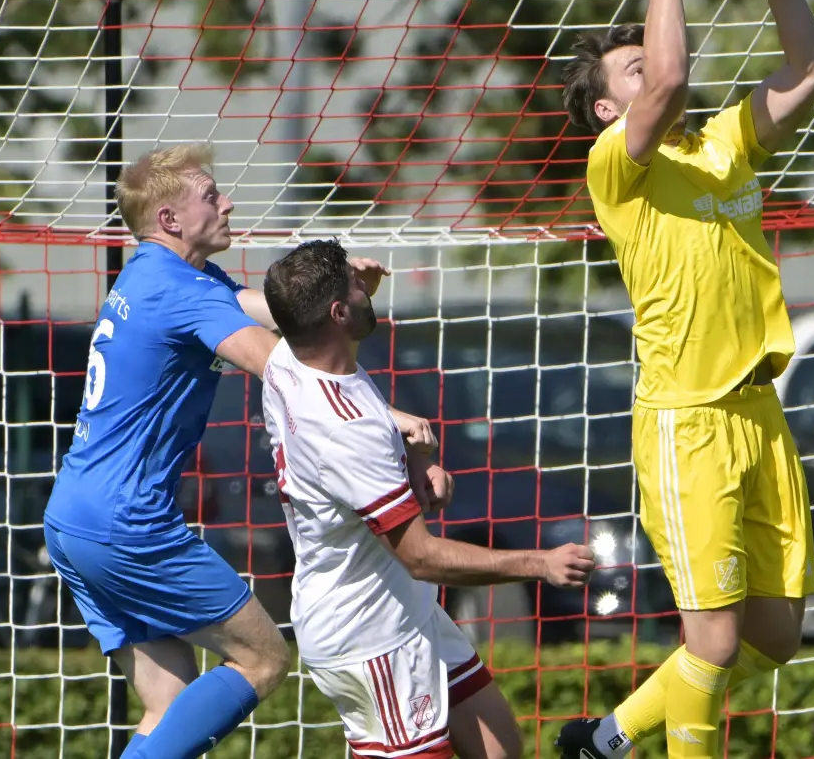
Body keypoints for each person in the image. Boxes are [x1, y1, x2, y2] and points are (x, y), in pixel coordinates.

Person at [553, 0, 814, 759]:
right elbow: (668, 76)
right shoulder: (617, 164)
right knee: (711, 644)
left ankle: (605, 740)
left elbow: (812, 68)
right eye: (630, 65)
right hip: (687, 422)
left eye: (647, 51)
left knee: (773, 638)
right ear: (607, 107)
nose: (654, 64)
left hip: (758, 413)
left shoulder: (720, 145)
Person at [42, 144, 437, 759]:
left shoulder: (159, 274)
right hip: (127, 523)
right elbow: (283, 371)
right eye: (211, 196)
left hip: (73, 517)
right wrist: (389, 415)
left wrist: (338, 293)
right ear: (171, 220)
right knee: (262, 657)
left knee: (170, 702)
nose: (228, 202)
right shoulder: (181, 291)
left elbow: (262, 310)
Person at [258, 238, 596, 759]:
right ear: (338, 312)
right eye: (352, 284)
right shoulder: (348, 432)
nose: (363, 285)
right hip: (369, 634)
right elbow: (421, 557)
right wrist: (541, 563)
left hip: (406, 613)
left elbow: (285, 327)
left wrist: (410, 445)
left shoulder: (287, 358)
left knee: (499, 746)